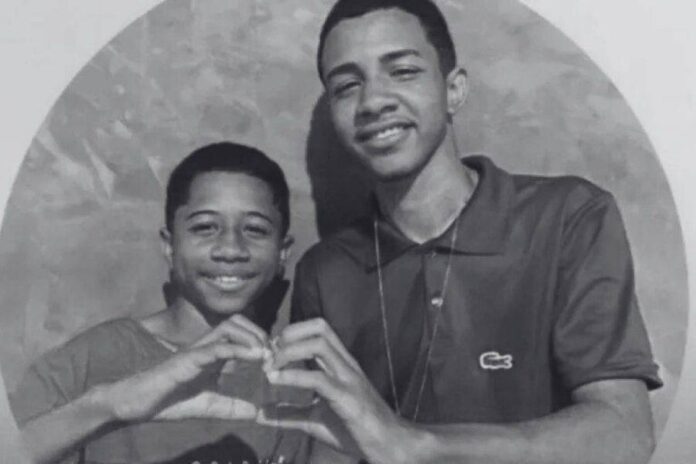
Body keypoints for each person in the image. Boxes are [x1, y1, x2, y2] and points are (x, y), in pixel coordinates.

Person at [261, 1, 663, 463]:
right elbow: (329, 443)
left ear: (454, 90)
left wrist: (414, 444)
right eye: (347, 86)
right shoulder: (324, 270)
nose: (373, 101)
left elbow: (625, 434)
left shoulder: (568, 217)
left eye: (403, 71)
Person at [9, 142, 310, 464]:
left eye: (255, 230)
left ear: (283, 252)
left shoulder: (294, 381)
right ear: (169, 245)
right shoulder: (87, 363)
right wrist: (109, 406)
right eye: (205, 228)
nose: (230, 249)